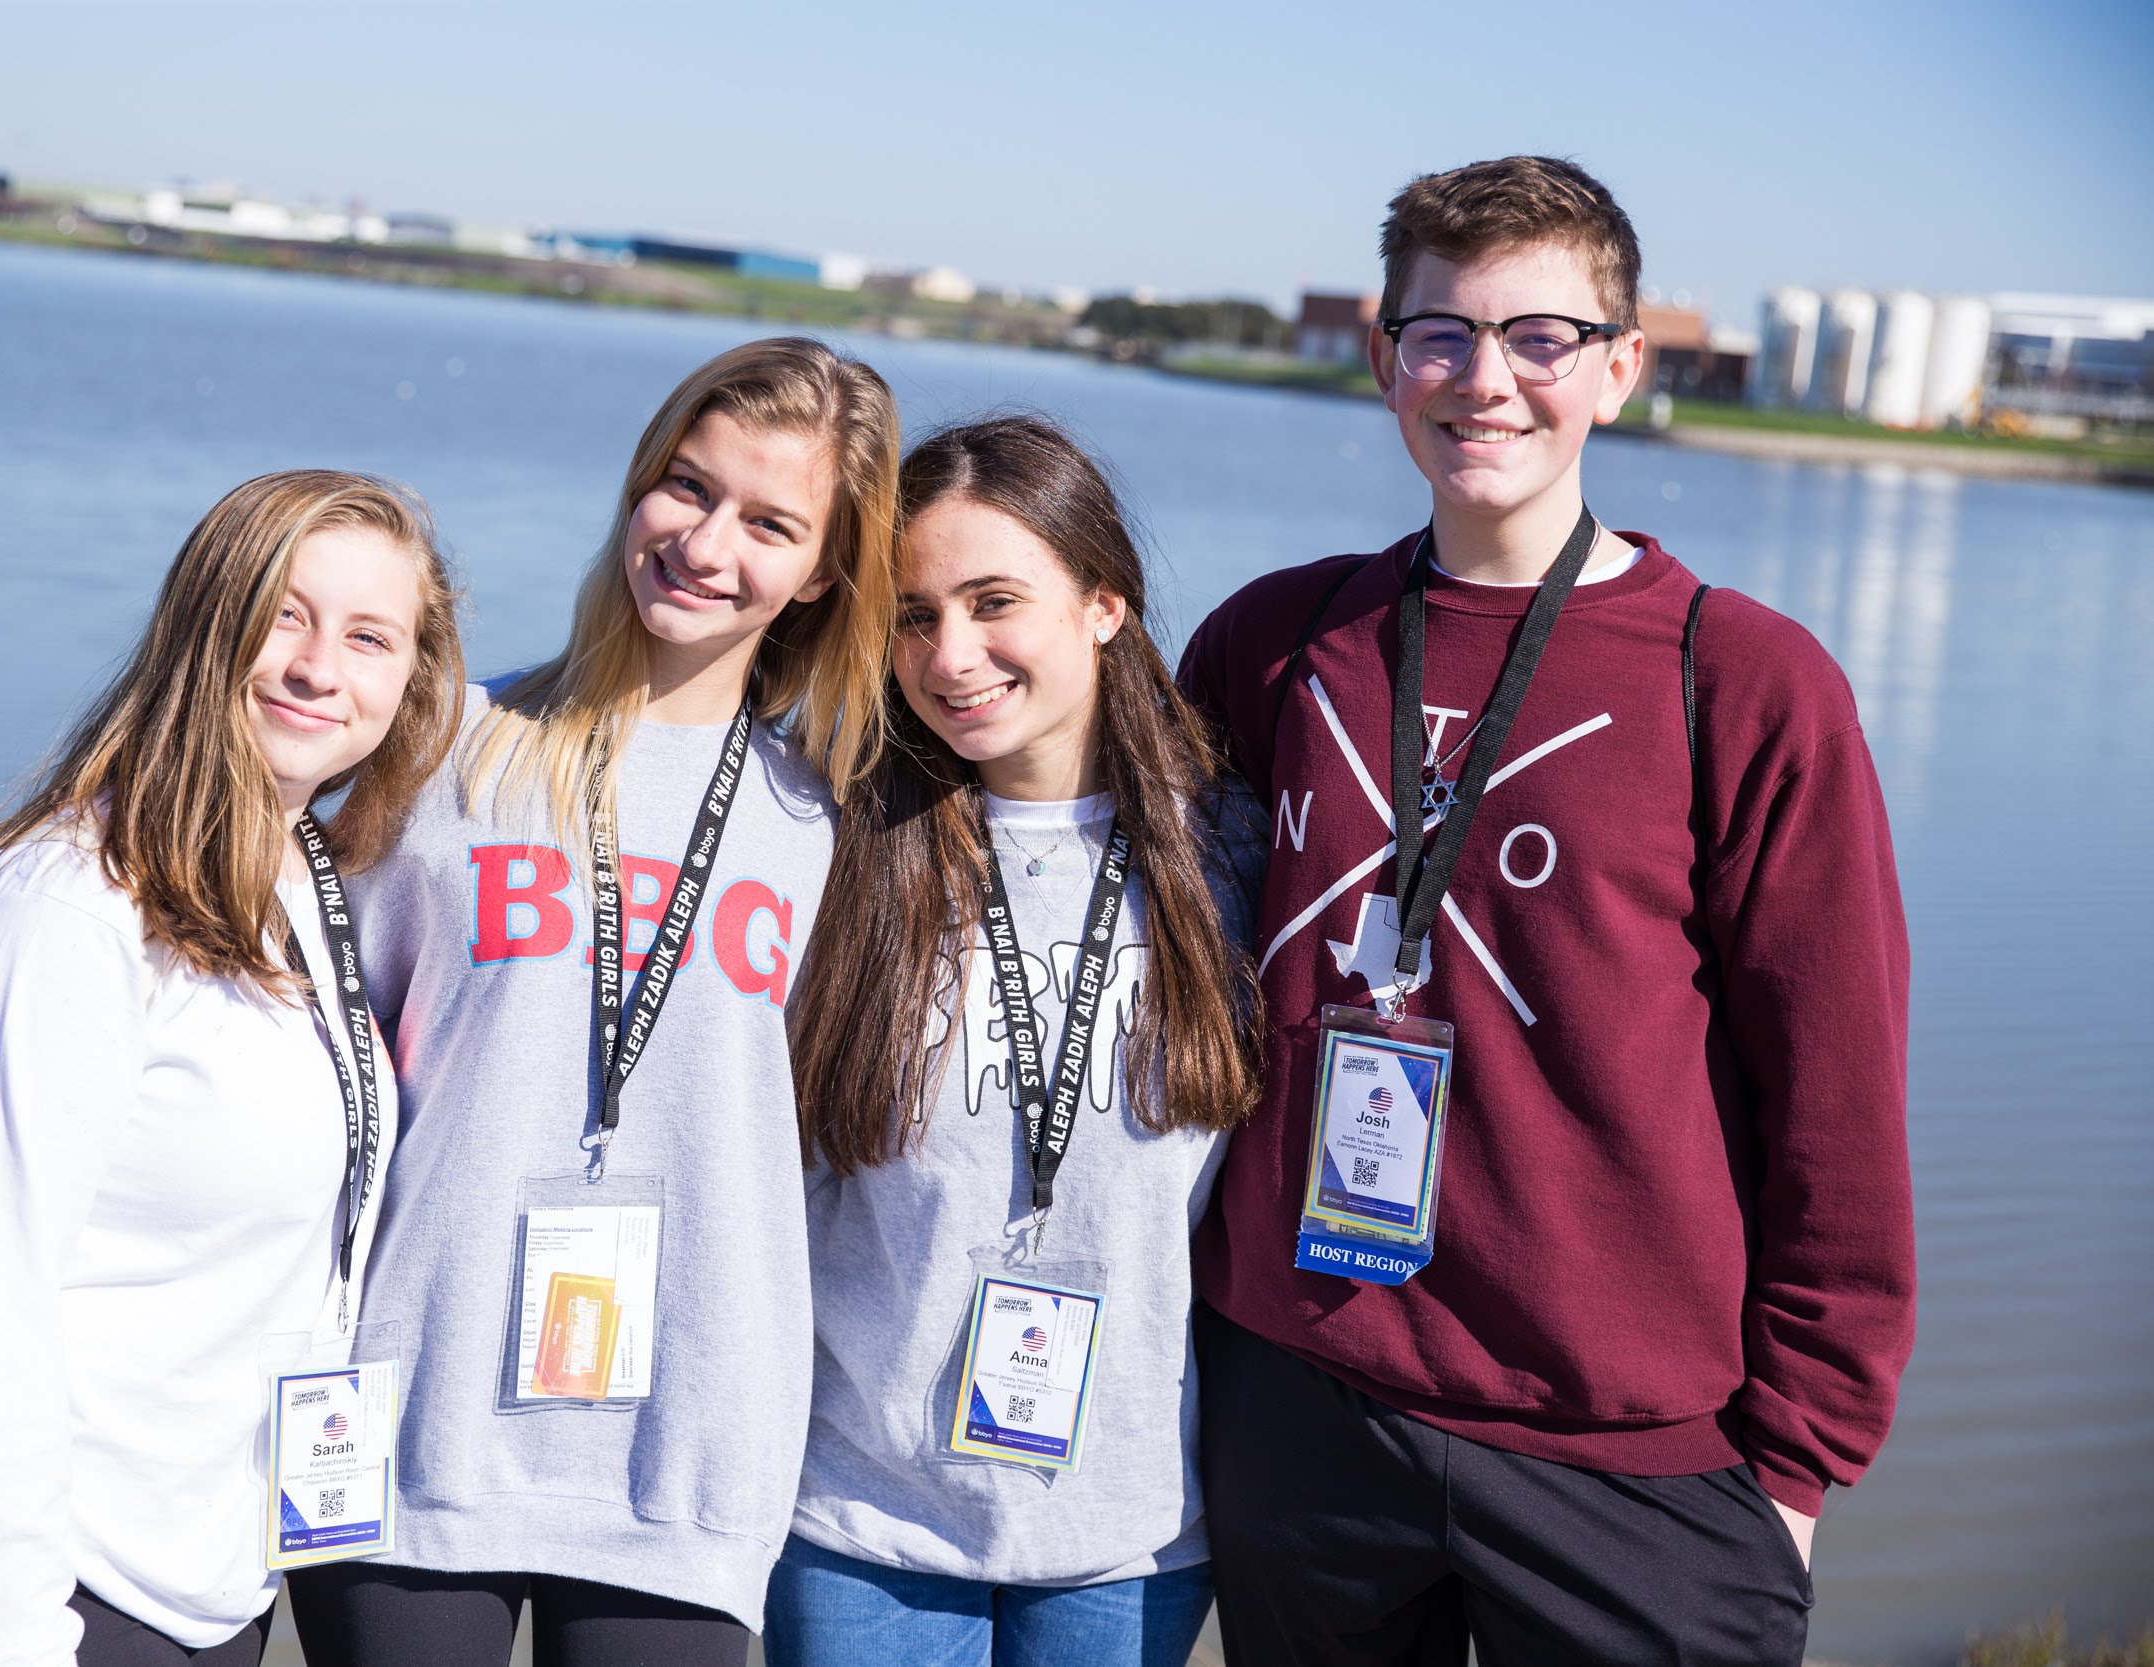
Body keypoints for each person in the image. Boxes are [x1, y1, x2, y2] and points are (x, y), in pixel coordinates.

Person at [1175, 156, 1915, 1666]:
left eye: (1542, 338)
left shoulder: (1744, 680)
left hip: (1634, 1458)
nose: (1484, 380)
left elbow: (1837, 1094)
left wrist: (1796, 1462)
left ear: (1622, 367)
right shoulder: (1275, 642)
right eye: (1441, 333)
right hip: (1305, 1408)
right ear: (1386, 359)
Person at [286, 337, 899, 1666]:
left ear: (827, 569)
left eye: (771, 521)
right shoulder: (440, 745)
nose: (706, 541)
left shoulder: (831, 820)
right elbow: (288, 1059)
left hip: (683, 1454)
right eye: (688, 486)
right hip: (407, 1431)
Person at [0, 471, 469, 1666]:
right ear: (203, 623)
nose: (320, 665)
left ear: (411, 682)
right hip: (40, 1584)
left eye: (371, 636)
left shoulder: (301, 882)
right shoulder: (72, 903)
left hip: (206, 1574)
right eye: (282, 612)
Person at [765, 416, 1264, 1667]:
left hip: (1131, 1537)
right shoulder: (828, 839)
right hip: (859, 1518)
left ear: (1104, 604)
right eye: (914, 614)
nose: (953, 654)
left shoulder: (1233, 855)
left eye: (996, 602)